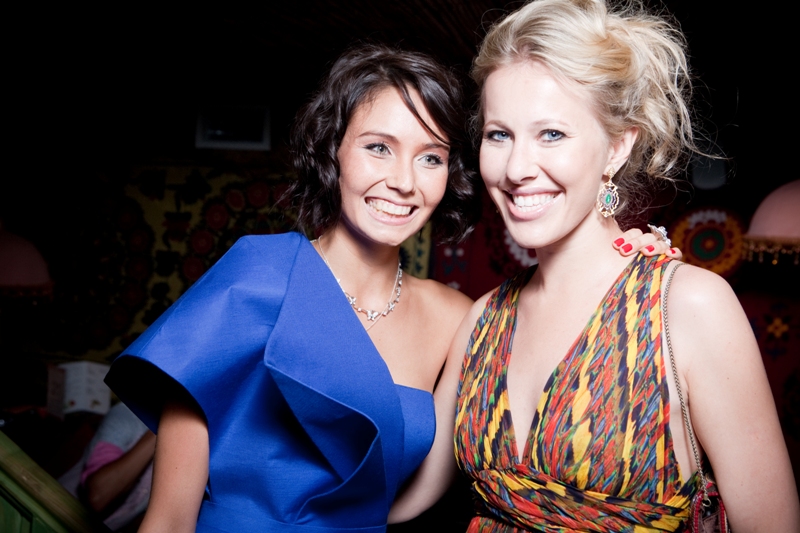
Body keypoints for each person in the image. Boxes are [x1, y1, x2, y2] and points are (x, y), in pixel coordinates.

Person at [105, 44, 674, 532]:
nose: (403, 182)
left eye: (430, 157)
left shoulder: (458, 318)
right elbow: (168, 520)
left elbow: (556, 374)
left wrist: (622, 263)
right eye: (378, 147)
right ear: (333, 149)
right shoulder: (252, 279)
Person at [390, 1, 800, 531]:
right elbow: (412, 493)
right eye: (499, 135)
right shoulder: (483, 319)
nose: (517, 168)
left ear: (617, 147)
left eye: (552, 134)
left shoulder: (686, 307)